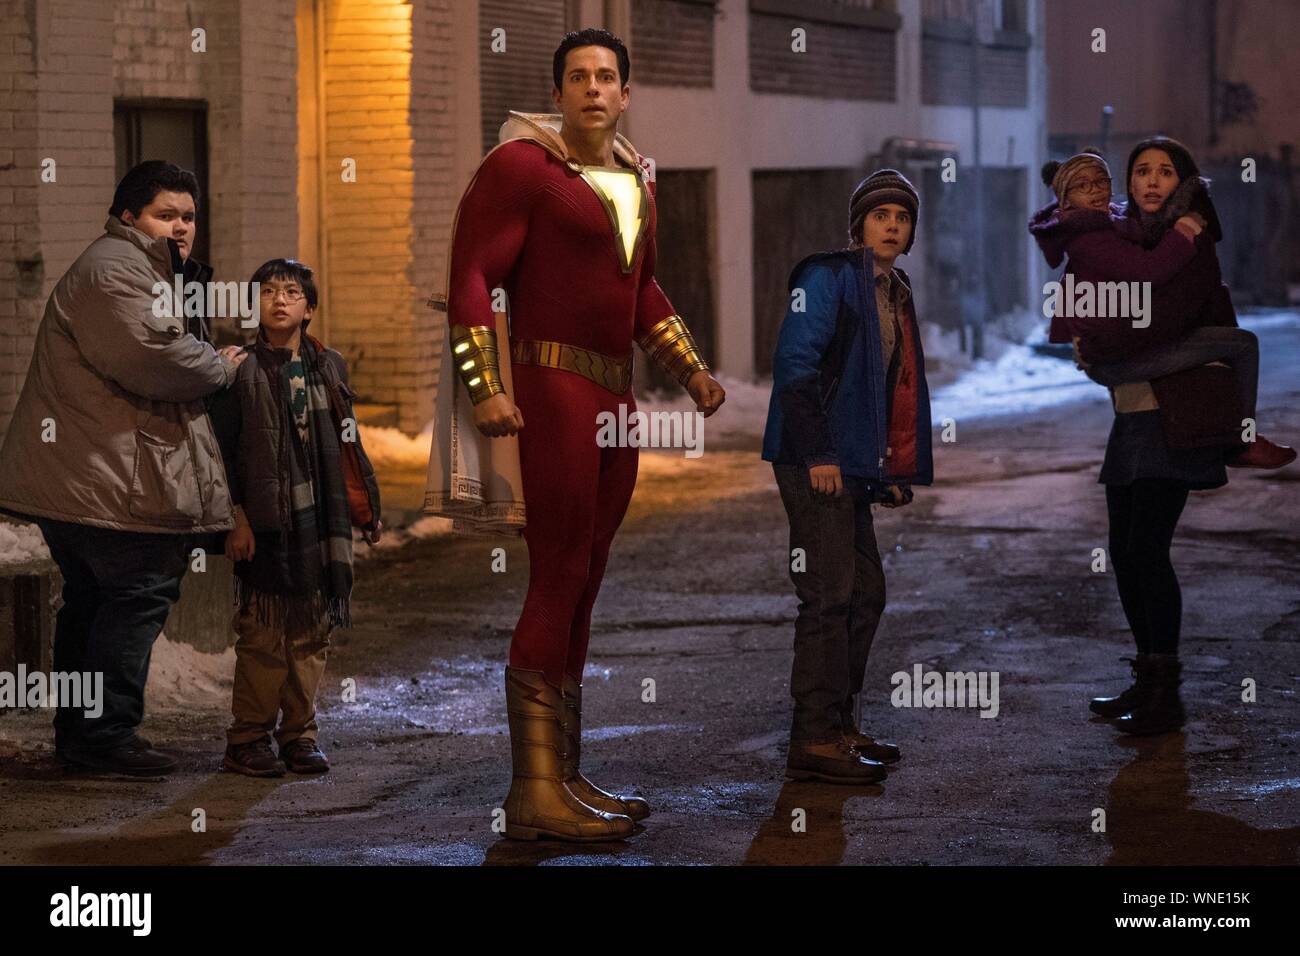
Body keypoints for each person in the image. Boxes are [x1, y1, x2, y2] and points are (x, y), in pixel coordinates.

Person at [432, 28, 725, 841]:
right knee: (557, 573)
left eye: (606, 77)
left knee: (587, 574)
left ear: (625, 94)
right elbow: (469, 276)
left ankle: (562, 773)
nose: (593, 89)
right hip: (551, 386)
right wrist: (486, 388)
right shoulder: (522, 167)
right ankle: (532, 792)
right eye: (577, 77)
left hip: (613, 398)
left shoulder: (636, 176)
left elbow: (643, 291)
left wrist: (692, 368)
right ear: (557, 93)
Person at [0, 160, 245, 775]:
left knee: (94, 599)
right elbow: (156, 357)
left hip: (97, 476)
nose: (181, 226)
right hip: (108, 480)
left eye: (189, 216)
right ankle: (105, 738)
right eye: (166, 215)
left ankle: (84, 736)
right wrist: (219, 365)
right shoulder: (115, 271)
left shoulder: (145, 269)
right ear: (129, 216)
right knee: (135, 595)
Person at [761, 169, 933, 783]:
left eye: (902, 217)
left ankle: (838, 726)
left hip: (853, 463)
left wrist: (884, 467)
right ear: (858, 224)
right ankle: (813, 738)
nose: (891, 225)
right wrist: (820, 453)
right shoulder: (826, 276)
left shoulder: (892, 288)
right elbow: (794, 365)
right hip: (813, 459)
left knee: (865, 594)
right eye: (880, 214)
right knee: (829, 596)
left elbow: (885, 386)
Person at [209, 259, 382, 777]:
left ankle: (300, 736)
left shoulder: (330, 366)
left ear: (309, 307)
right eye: (267, 292)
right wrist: (234, 518)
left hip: (317, 523)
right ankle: (247, 740)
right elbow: (222, 450)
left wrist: (363, 504)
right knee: (262, 634)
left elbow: (347, 442)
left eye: (291, 292)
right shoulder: (238, 368)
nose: (279, 300)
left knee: (311, 630)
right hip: (264, 520)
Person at [1028, 147, 1294, 469]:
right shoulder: (1090, 236)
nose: (1096, 191)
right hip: (1118, 362)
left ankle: (1236, 437)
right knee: (1243, 344)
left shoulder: (1107, 222)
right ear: (1065, 198)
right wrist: (1183, 230)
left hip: (1122, 366)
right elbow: (1149, 273)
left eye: (1101, 181)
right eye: (1083, 186)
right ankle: (1242, 441)